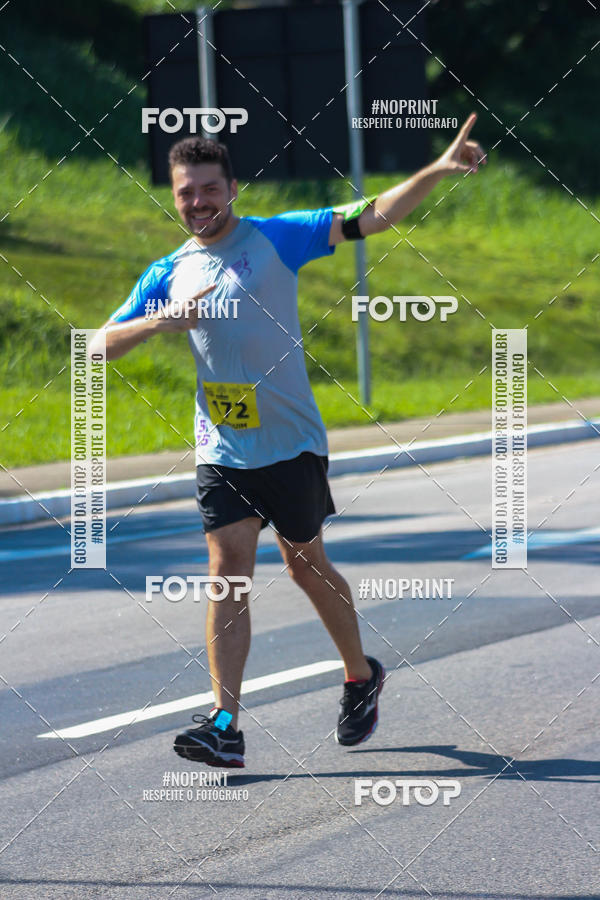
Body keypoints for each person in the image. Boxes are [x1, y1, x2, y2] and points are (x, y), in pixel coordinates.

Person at [94, 114, 485, 768]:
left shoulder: (278, 236)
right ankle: (225, 724)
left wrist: (437, 170)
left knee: (305, 566)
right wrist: (159, 322)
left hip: (292, 443)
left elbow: (372, 216)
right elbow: (97, 346)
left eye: (210, 189)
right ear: (174, 196)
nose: (198, 202)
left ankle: (360, 674)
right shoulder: (167, 272)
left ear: (233, 189)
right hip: (223, 449)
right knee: (227, 575)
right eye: (186, 192)